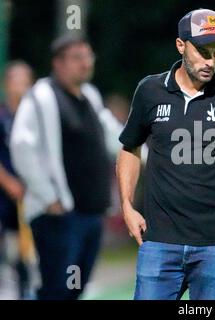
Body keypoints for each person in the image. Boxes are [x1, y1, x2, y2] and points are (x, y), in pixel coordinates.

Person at [116, 8, 215, 300]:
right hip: (158, 242)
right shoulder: (150, 90)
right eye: (202, 51)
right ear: (181, 45)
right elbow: (130, 148)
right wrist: (127, 206)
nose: (210, 60)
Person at [10, 35, 123, 300]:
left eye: (88, 56)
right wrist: (49, 198)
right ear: (58, 63)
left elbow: (114, 136)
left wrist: (147, 154)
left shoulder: (91, 95)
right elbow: (21, 146)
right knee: (56, 289)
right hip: (59, 216)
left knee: (76, 289)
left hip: (91, 214)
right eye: (77, 58)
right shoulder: (41, 96)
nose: (85, 63)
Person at [0, 60, 33, 299]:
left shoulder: (36, 119)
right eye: (15, 80)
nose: (20, 86)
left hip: (30, 197)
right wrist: (9, 183)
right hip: (5, 196)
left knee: (25, 258)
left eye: (25, 81)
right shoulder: (2, 116)